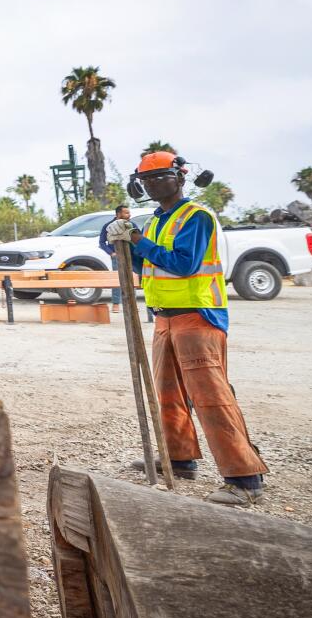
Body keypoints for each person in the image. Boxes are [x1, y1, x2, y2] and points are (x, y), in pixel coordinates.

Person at [104, 150, 268, 506]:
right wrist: (116, 243)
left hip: (198, 315)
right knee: (167, 393)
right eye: (146, 179)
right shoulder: (154, 222)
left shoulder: (197, 217)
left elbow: (182, 264)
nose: (152, 184)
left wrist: (136, 240)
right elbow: (144, 261)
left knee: (211, 396)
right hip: (163, 316)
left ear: (180, 177)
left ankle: (244, 478)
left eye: (160, 176)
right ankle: (178, 459)